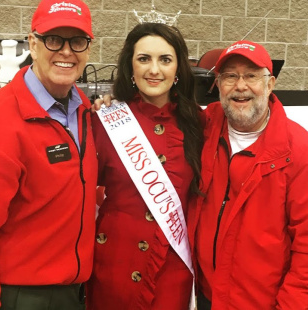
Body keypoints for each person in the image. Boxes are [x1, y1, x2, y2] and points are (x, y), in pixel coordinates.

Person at [86, 22, 204, 310]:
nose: (154, 70)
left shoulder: (199, 124)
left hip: (171, 267)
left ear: (178, 69)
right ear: (130, 67)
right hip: (113, 263)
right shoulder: (106, 118)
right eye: (144, 59)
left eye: (165, 59)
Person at [188, 40, 308, 309]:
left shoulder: (299, 150)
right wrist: (114, 104)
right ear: (217, 85)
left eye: (251, 75)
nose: (240, 86)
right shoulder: (204, 127)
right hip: (206, 296)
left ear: (270, 84)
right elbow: (156, 116)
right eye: (230, 76)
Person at [0, 0, 98, 309]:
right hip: (23, 295)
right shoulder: (4, 118)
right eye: (54, 39)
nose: (67, 52)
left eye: (77, 41)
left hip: (76, 290)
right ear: (33, 43)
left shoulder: (83, 109)